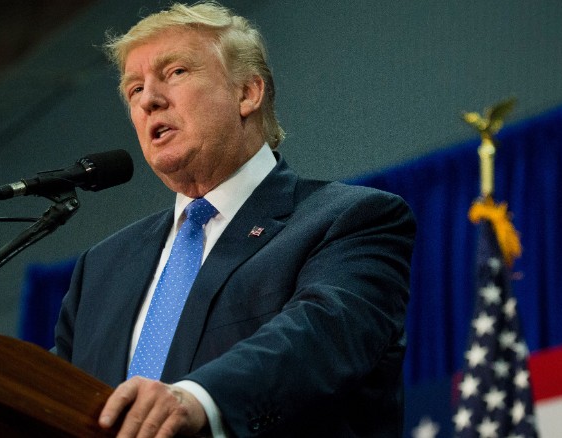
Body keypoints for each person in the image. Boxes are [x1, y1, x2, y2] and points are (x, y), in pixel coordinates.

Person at [54, 2, 415, 437]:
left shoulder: (350, 220)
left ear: (247, 93)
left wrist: (197, 398)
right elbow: (53, 394)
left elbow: (320, 337)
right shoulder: (102, 267)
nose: (149, 99)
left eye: (176, 73)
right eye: (134, 89)